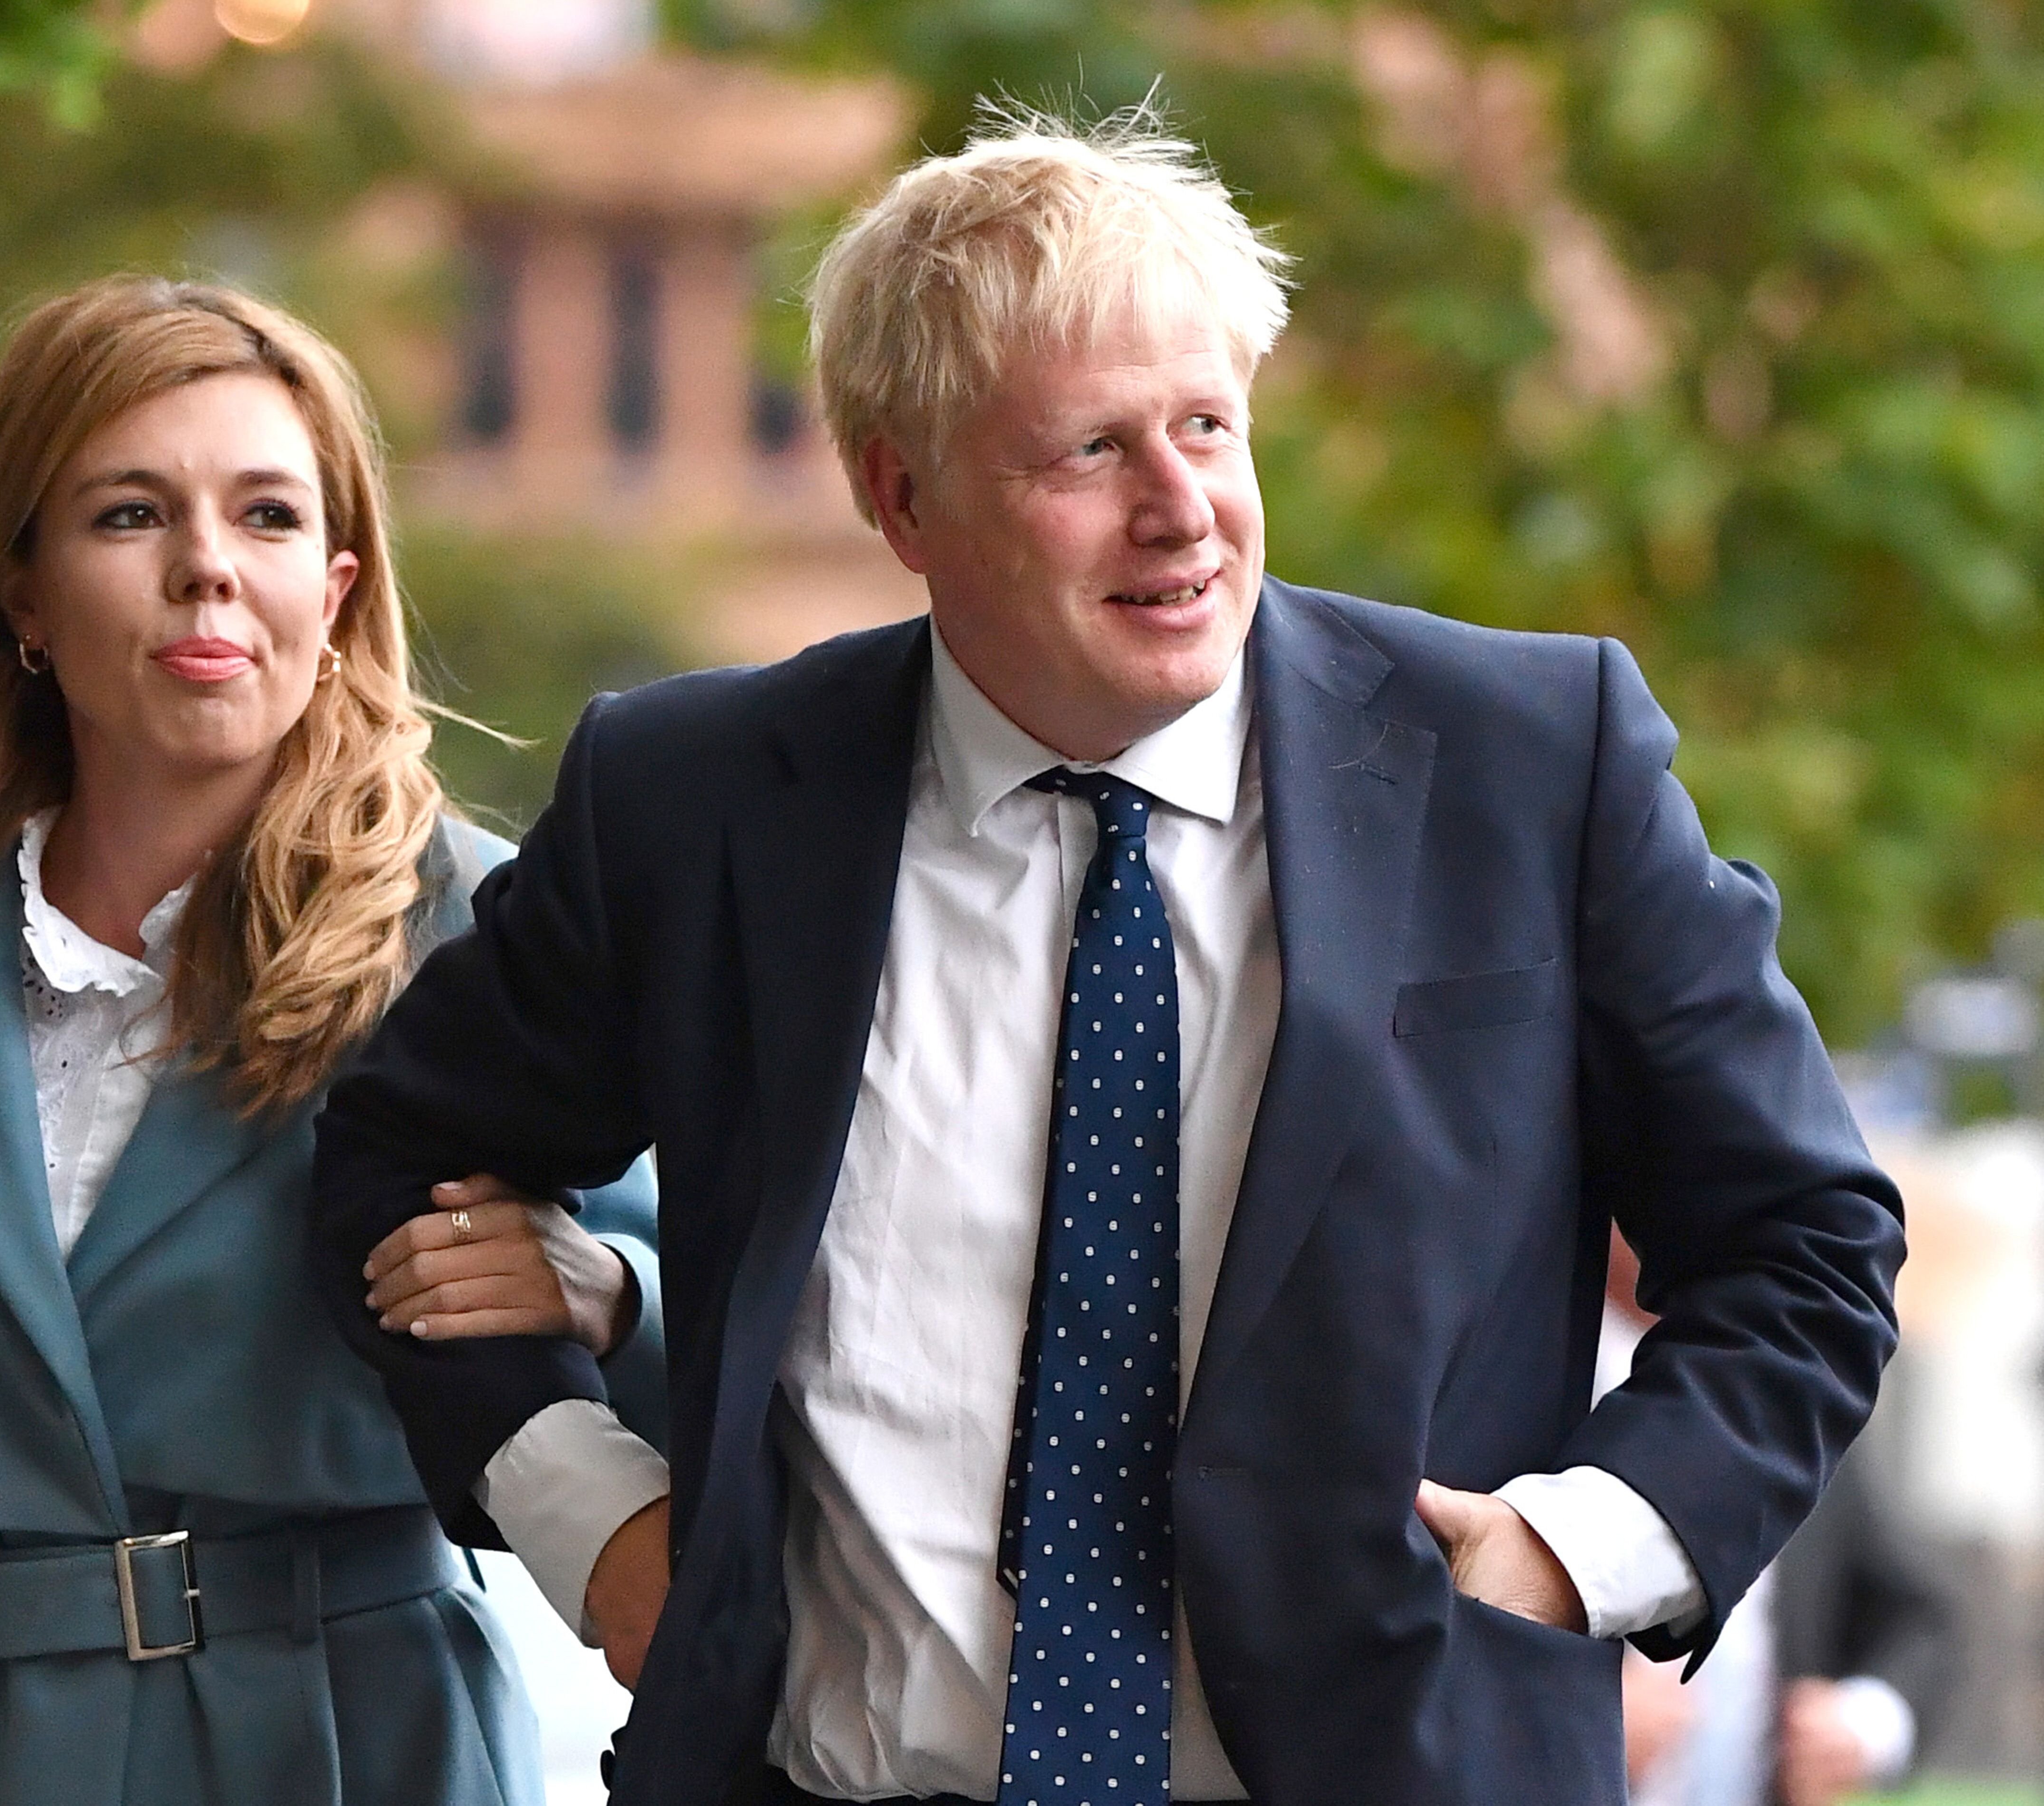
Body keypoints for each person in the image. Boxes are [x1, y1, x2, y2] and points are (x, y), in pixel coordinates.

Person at [312, 110, 1905, 1806]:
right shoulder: (694, 802)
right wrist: (597, 1520)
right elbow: (403, 1153)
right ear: (899, 493)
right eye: (1087, 453)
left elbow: (1802, 1244)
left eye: (1207, 425)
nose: (1182, 511)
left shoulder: (1531, 762)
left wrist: (1571, 1544)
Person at [0, 276, 664, 1806]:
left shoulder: (475, 926)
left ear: (334, 589)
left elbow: (747, 1336)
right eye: (131, 515)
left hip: (355, 1741)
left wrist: (606, 1290)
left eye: (265, 517)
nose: (208, 569)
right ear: (20, 593)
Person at [1608, 1235, 1955, 1806]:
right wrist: (1559, 1711)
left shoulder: (1797, 1384)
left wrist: (1862, 1727)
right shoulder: (1511, 1386)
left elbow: (1917, 1616)